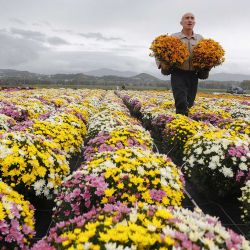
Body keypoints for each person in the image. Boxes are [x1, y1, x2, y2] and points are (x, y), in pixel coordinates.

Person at [158, 12, 203, 116]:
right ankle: (181, 125)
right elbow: (159, 52)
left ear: (194, 22)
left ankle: (184, 120)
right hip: (178, 73)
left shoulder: (199, 39)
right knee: (181, 102)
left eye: (192, 18)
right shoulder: (174, 37)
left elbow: (205, 55)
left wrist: (206, 68)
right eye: (187, 18)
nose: (190, 20)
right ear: (181, 22)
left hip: (193, 74)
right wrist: (162, 65)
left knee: (189, 102)